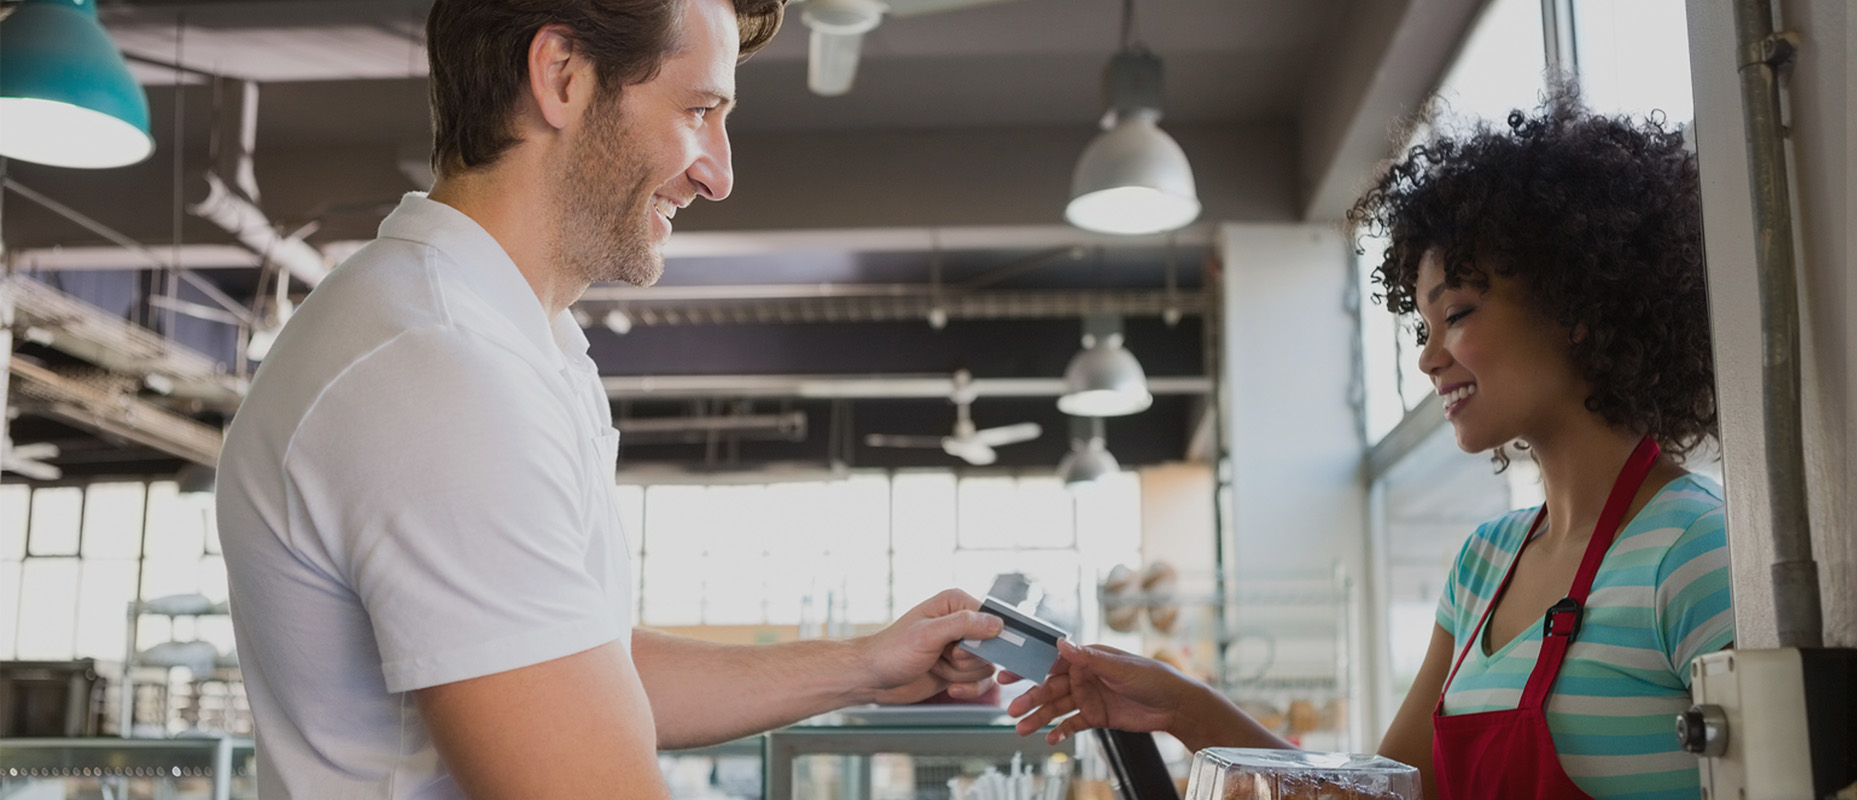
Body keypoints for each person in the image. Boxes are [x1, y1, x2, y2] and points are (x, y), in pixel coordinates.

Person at [214, 0, 1005, 797]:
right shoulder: (438, 368)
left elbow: (574, 674)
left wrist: (865, 666)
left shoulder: (511, 341)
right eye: (698, 110)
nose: (718, 174)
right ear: (562, 76)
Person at [1003, 89, 1731, 800]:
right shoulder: (1488, 564)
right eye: (1424, 327)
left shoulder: (1694, 550)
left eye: (1459, 314)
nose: (1428, 357)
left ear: (1578, 305)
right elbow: (1380, 797)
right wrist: (1179, 708)